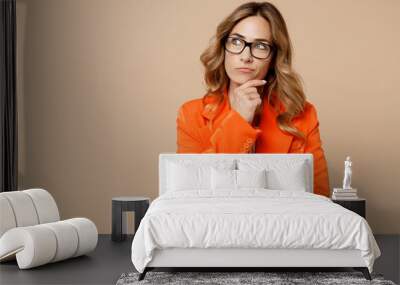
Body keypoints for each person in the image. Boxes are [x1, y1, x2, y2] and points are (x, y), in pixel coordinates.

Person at [176, 1, 330, 197]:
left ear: (274, 57)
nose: (246, 56)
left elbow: (319, 198)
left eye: (260, 46)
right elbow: (193, 195)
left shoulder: (303, 114)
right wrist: (239, 121)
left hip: (282, 223)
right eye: (237, 42)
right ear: (223, 48)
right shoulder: (191, 114)